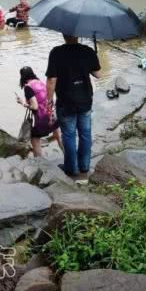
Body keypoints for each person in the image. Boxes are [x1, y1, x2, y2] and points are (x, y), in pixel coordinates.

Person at [45, 35, 101, 182]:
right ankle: (84, 166)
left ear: (63, 34)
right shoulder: (88, 51)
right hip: (85, 101)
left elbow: (52, 79)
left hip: (66, 102)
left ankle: (72, 168)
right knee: (85, 133)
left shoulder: (56, 52)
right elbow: (98, 74)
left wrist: (49, 101)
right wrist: (95, 58)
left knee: (69, 135)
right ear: (78, 35)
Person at [16, 66, 63, 157]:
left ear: (22, 77)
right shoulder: (40, 82)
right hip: (52, 115)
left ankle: (40, 164)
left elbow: (35, 106)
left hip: (42, 119)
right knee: (59, 137)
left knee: (34, 139)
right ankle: (70, 159)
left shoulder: (28, 87)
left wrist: (22, 103)